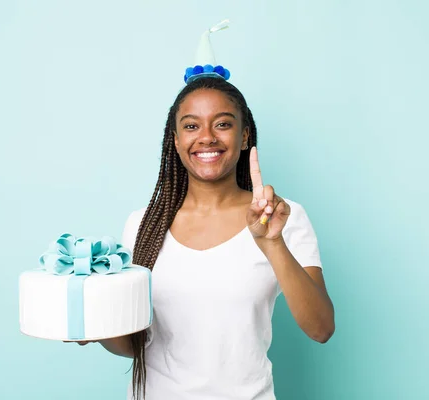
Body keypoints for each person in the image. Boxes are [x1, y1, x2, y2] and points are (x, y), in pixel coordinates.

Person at [76, 22, 335, 400]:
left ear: (244, 135)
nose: (207, 137)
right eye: (192, 125)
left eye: (224, 124)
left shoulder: (282, 218)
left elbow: (321, 328)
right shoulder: (143, 225)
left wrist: (273, 244)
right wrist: (94, 327)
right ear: (177, 139)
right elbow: (133, 344)